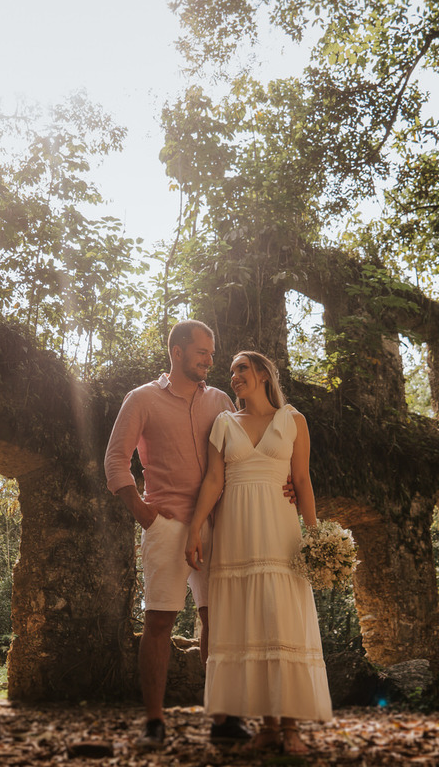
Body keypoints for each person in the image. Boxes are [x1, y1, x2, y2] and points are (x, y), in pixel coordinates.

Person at [103, 320, 254, 749]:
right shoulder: (142, 399)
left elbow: (243, 455)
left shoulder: (223, 401)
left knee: (218, 620)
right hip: (166, 524)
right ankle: (154, 721)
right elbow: (116, 461)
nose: (210, 360)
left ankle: (223, 717)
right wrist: (146, 515)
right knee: (160, 621)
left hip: (216, 523)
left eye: (212, 352)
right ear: (177, 351)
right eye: (203, 352)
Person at [185, 350, 332, 756]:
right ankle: (267, 728)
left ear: (264, 374)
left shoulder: (293, 421)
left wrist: (316, 538)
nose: (234, 377)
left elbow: (301, 480)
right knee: (249, 625)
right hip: (237, 535)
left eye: (241, 369)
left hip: (280, 534)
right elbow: (214, 480)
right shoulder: (223, 423)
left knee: (281, 618)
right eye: (230, 371)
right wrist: (195, 528)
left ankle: (291, 728)